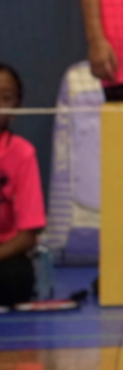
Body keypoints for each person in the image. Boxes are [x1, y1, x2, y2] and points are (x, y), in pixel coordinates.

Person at [0, 64, 46, 306]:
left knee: (16, 278)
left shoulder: (23, 153)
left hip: (4, 254)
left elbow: (28, 235)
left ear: (15, 109)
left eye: (5, 97)